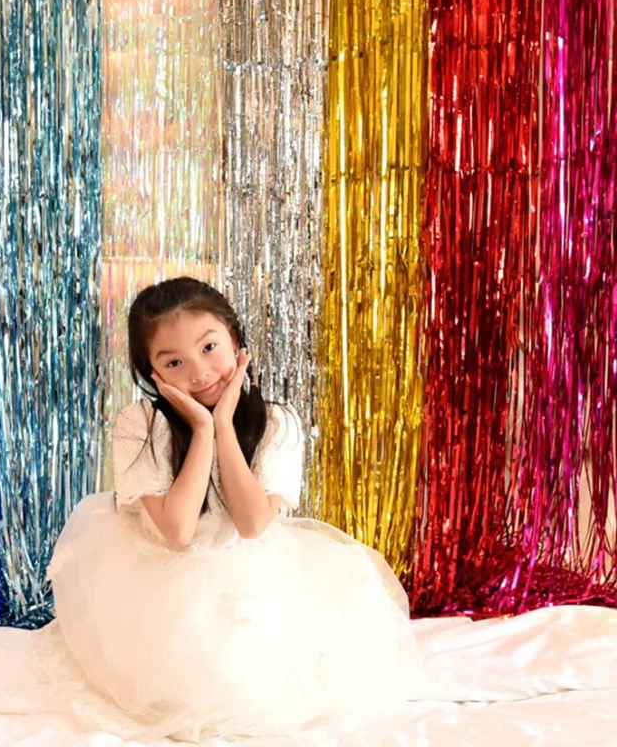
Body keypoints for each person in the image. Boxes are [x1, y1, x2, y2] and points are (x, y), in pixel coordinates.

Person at [48, 277, 424, 742]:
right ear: (152, 373)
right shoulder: (140, 424)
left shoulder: (277, 421)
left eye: (209, 347)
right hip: (161, 575)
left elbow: (251, 524)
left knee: (267, 678)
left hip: (251, 567)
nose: (199, 372)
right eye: (173, 362)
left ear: (235, 339)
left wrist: (224, 424)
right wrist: (201, 430)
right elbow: (178, 532)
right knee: (186, 682)